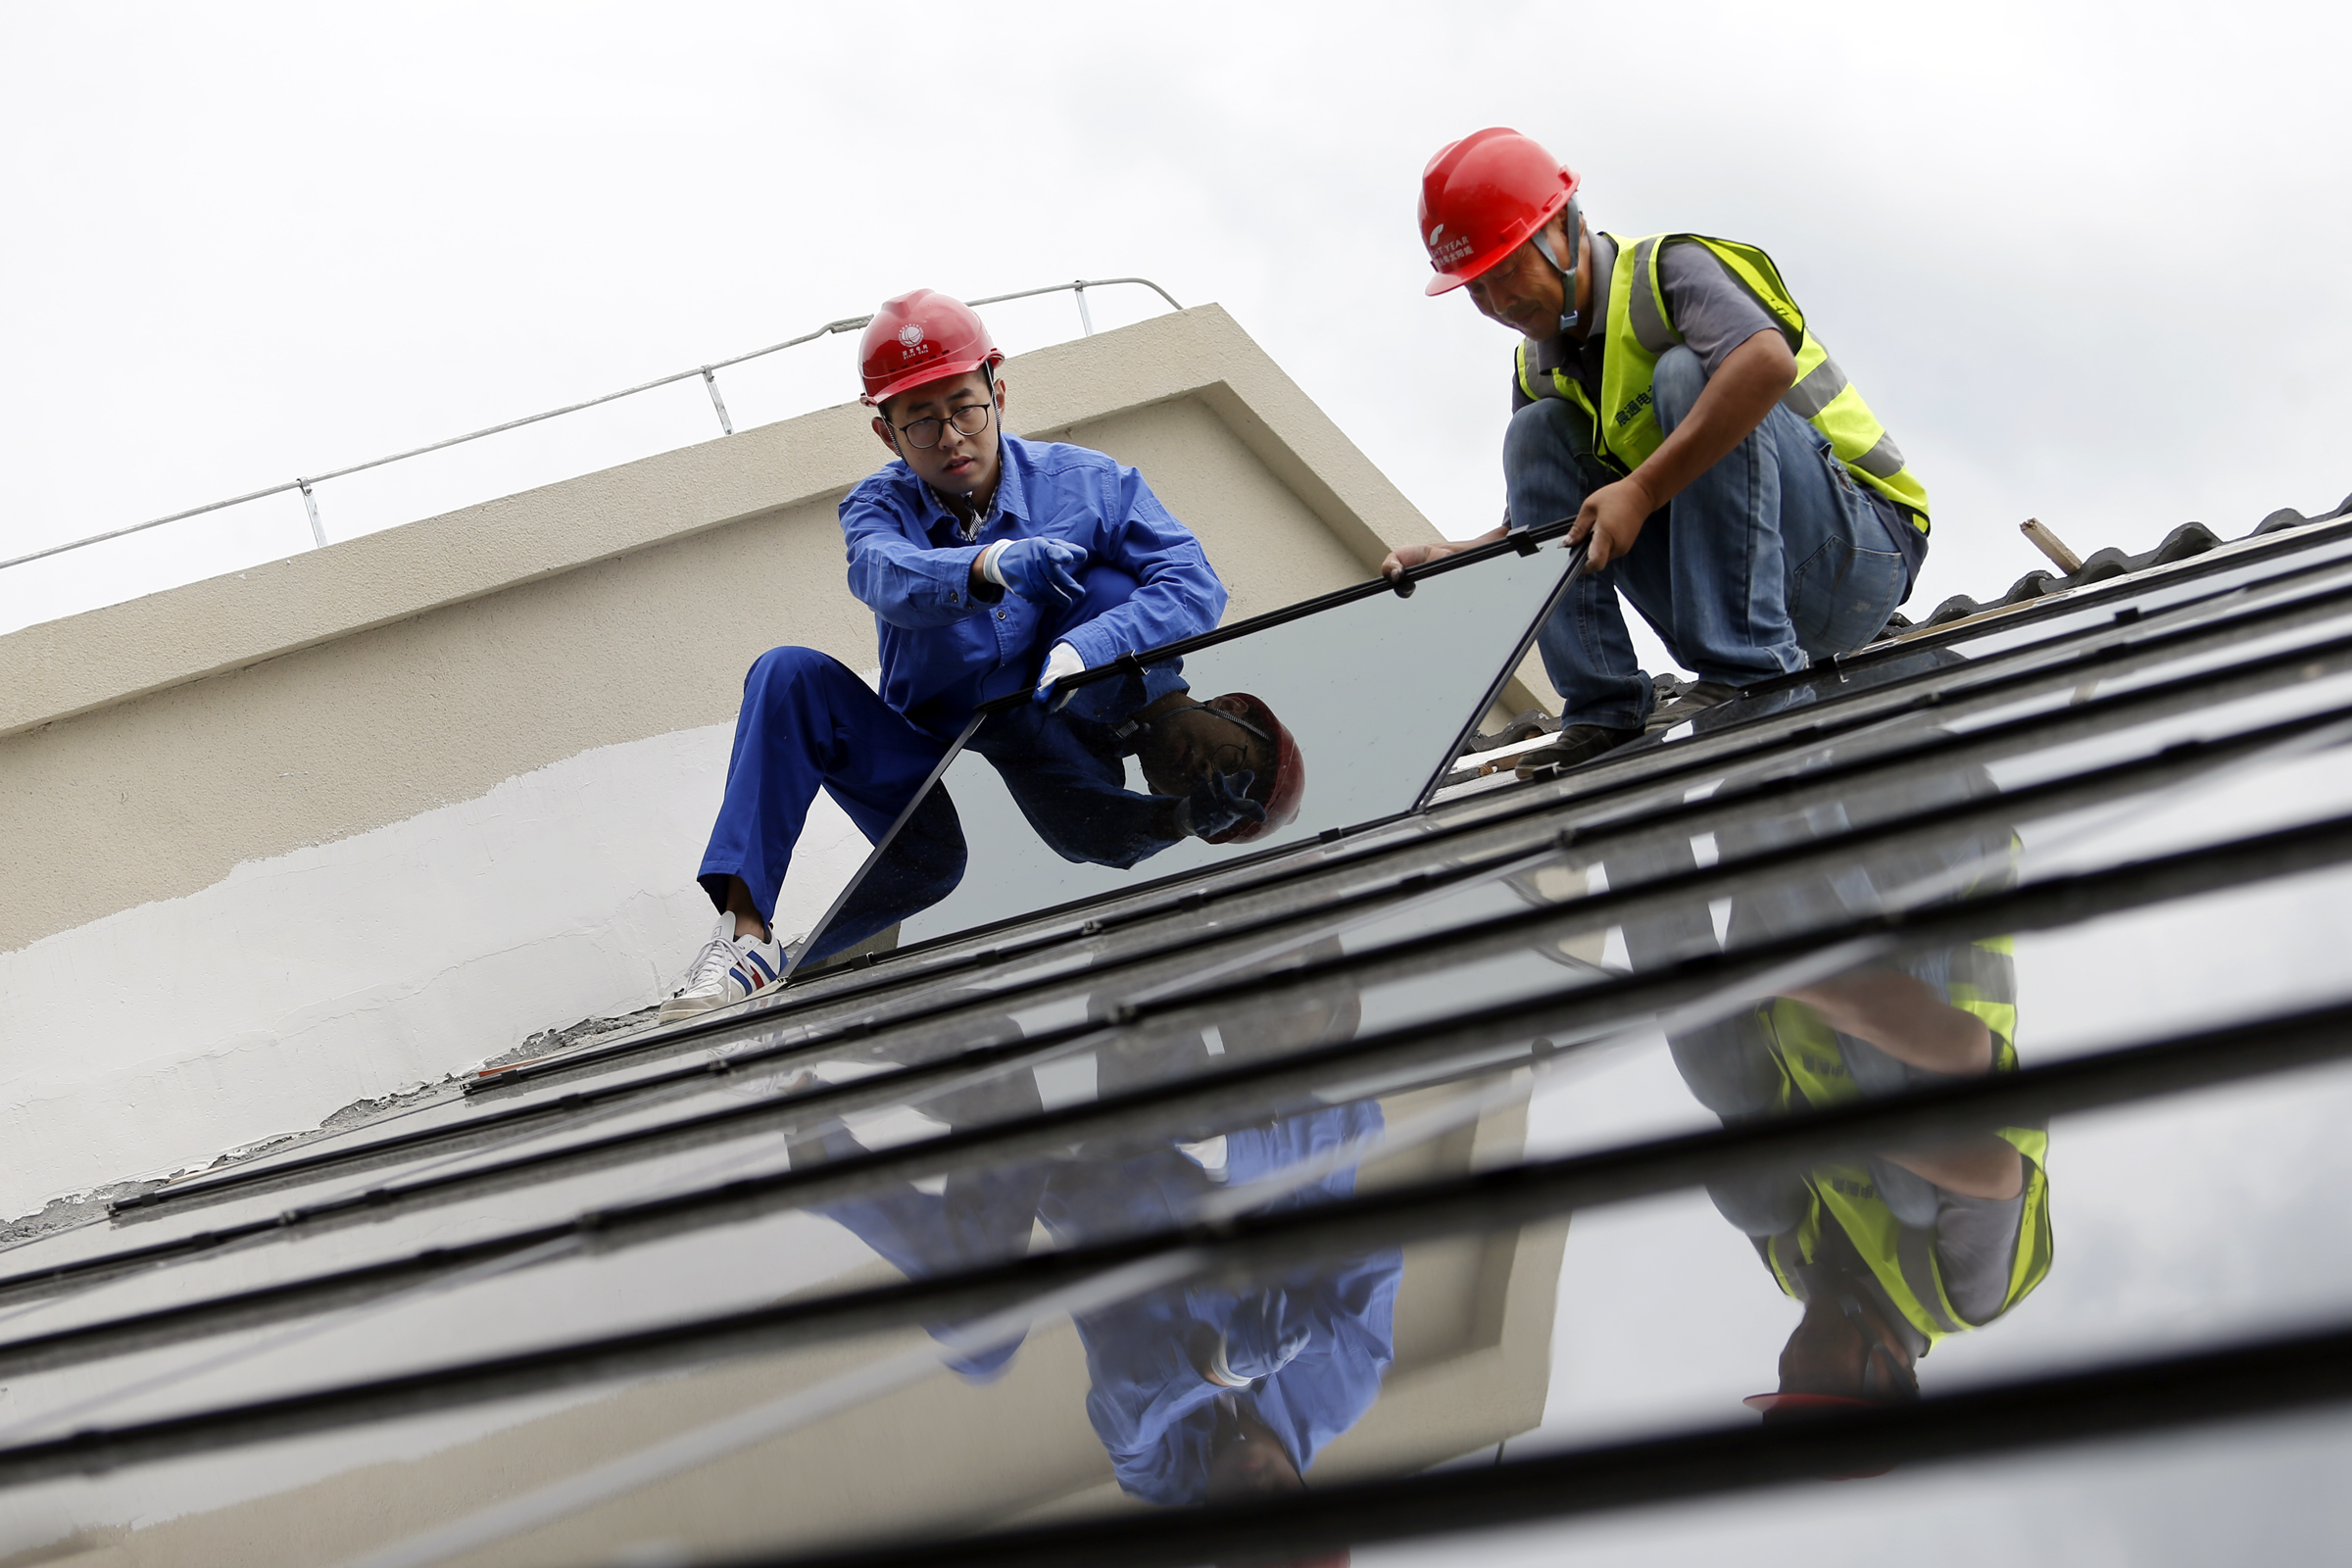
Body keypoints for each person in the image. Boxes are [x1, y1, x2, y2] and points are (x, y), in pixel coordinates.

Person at [660, 289, 1230, 1020]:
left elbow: (1193, 582)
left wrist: (1087, 646)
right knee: (788, 674)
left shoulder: (1090, 483)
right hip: (927, 742)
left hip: (1055, 718)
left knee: (1117, 582)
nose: (951, 436)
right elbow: (881, 574)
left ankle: (1161, 755)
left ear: (998, 388)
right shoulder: (876, 506)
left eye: (965, 406)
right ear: (885, 434)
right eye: (919, 422)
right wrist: (985, 567)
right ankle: (744, 939)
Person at [1383, 127, 1933, 776]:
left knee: (1686, 372)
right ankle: (1602, 710)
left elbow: (1765, 365)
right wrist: (1457, 557)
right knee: (1534, 434)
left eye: (1508, 269)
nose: (1501, 303)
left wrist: (1641, 491)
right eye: (1477, 289)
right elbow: (1542, 528)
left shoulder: (1670, 272)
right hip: (1741, 587)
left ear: (1565, 226)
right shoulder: (1539, 369)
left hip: (1858, 559)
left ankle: (1747, 666)